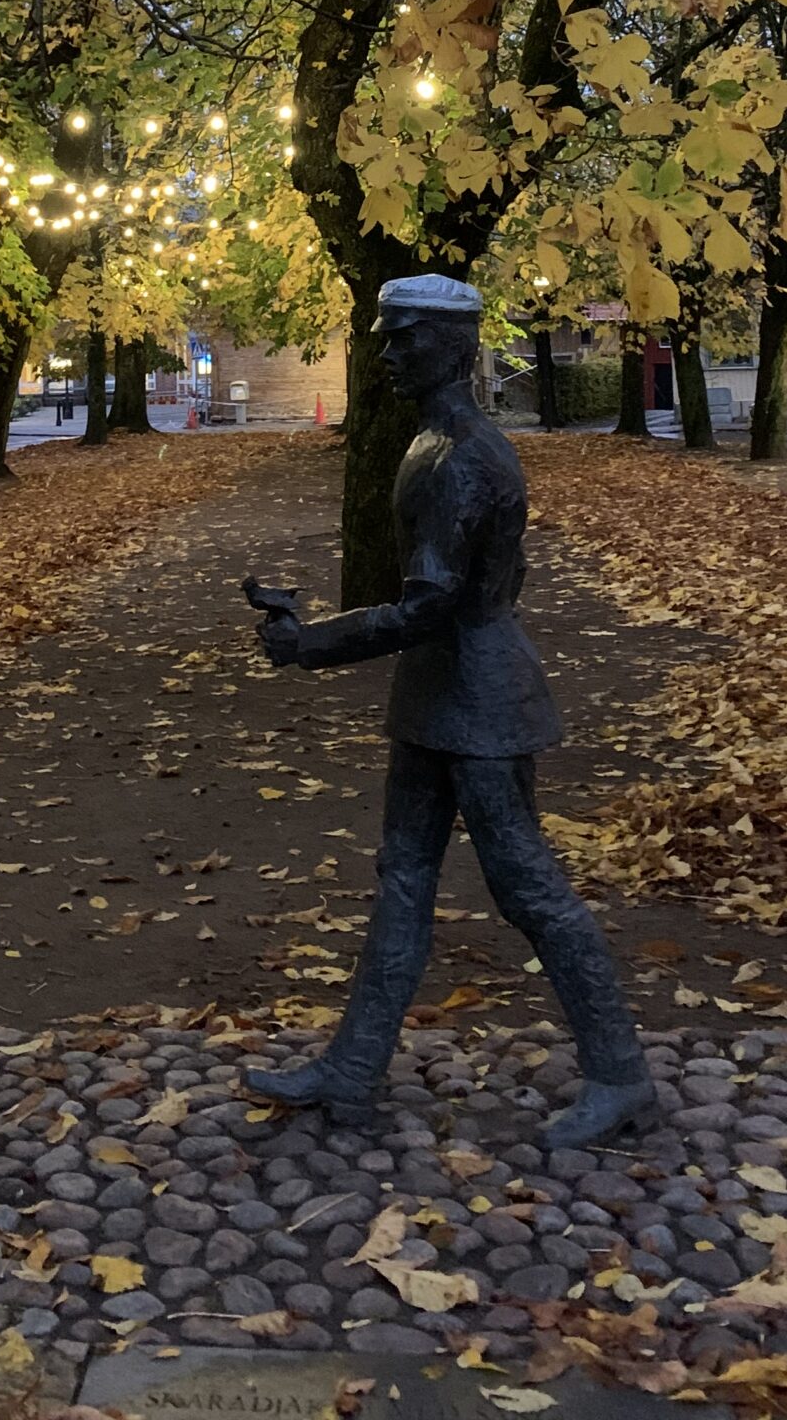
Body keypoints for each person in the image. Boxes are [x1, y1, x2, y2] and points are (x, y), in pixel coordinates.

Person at [243, 273, 656, 1145]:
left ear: (458, 347)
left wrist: (311, 643)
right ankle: (351, 1071)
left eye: (406, 338)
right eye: (385, 337)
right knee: (402, 879)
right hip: (440, 691)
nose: (387, 353)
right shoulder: (437, 443)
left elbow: (431, 603)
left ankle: (622, 1074)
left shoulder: (464, 455)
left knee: (528, 889)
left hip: (480, 696)